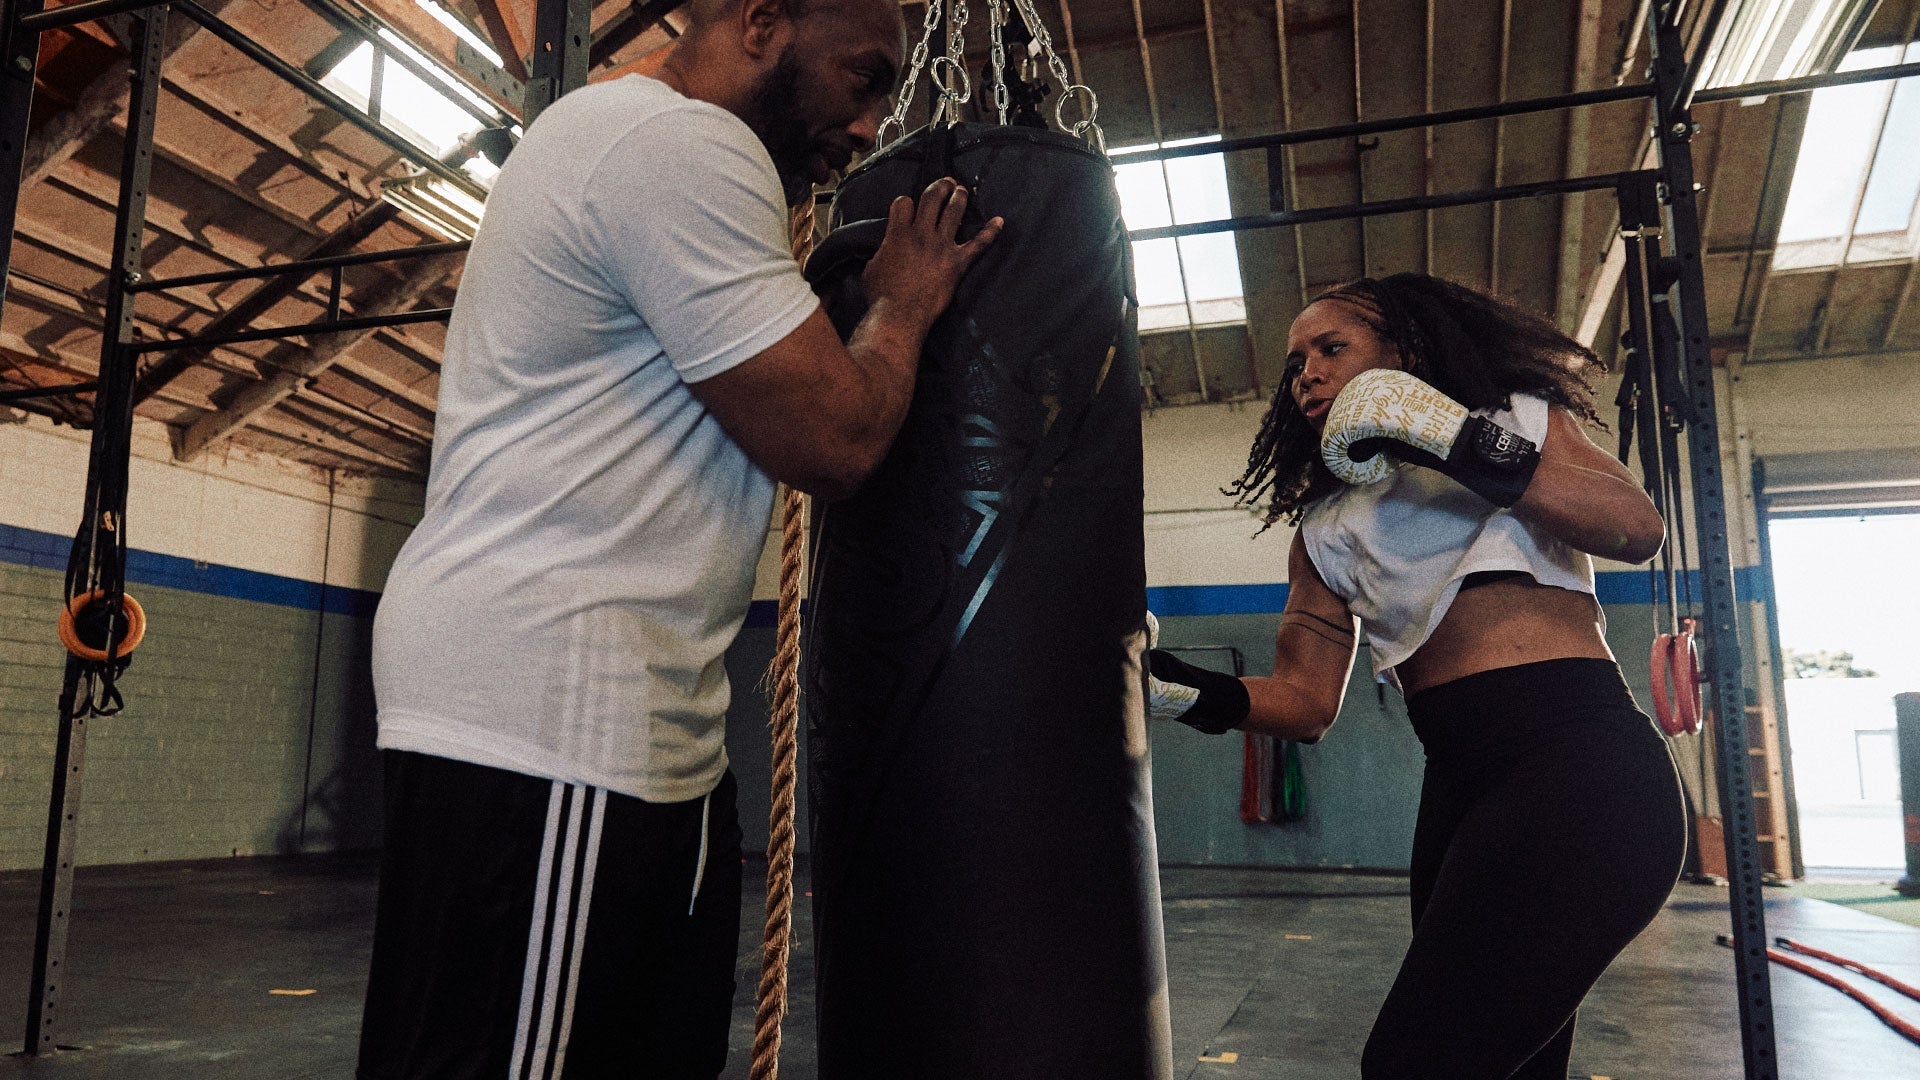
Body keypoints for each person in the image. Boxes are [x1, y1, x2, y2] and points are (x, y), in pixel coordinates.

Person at [356, 0, 1002, 1075]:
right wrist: (899, 308)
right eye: (863, 78)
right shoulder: (677, 143)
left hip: (647, 731)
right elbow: (836, 440)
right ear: (760, 23)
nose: (874, 126)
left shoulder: (624, 139)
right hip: (556, 708)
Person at [1145, 273, 1685, 1080]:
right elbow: (1304, 704)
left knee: (1413, 1063)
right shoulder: (1323, 526)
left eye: (1333, 349)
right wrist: (1172, 686)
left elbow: (1635, 527)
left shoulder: (1516, 422)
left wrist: (1456, 437)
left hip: (1579, 769)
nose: (1309, 374)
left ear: (1407, 353)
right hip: (1461, 795)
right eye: (1296, 364)